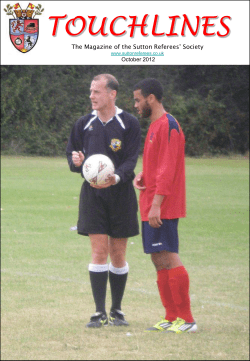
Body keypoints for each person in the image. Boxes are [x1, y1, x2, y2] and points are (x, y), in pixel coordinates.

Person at [66, 74, 141, 328]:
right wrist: (76, 162)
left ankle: (117, 310)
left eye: (97, 91)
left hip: (120, 194)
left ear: (112, 94)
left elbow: (131, 160)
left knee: (118, 253)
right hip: (93, 195)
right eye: (90, 91)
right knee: (99, 251)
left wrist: (117, 177)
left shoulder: (128, 123)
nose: (91, 96)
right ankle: (98, 312)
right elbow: (72, 154)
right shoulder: (84, 123)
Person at [133, 78, 197, 334]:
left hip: (163, 205)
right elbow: (157, 166)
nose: (136, 105)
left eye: (138, 100)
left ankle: (188, 319)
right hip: (150, 203)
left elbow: (169, 169)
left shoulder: (169, 125)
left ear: (151, 98)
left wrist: (157, 204)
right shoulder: (154, 126)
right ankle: (171, 316)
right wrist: (143, 176)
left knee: (169, 255)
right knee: (157, 259)